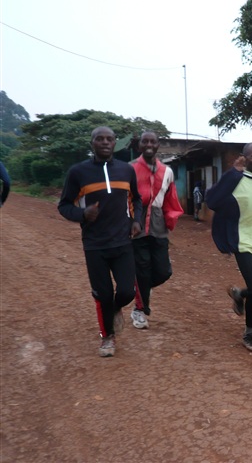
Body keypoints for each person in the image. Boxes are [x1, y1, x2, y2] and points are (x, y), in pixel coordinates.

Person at [58, 126, 142, 357]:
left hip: (123, 241)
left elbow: (136, 199)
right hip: (94, 244)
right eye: (100, 139)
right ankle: (107, 337)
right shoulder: (78, 172)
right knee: (102, 295)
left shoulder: (126, 170)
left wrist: (136, 220)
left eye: (109, 139)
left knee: (126, 291)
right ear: (92, 143)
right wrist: (82, 214)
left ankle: (115, 309)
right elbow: (64, 205)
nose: (105, 142)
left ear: (115, 143)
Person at [205, 143, 252, 353]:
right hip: (241, 242)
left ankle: (239, 294)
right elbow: (212, 200)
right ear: (244, 158)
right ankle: (249, 333)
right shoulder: (235, 180)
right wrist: (232, 173)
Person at [129, 131, 184, 329]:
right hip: (136, 221)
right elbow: (123, 197)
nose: (149, 144)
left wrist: (170, 220)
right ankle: (139, 310)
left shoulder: (167, 171)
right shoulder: (130, 169)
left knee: (163, 272)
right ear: (139, 145)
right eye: (145, 141)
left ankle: (141, 288)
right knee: (142, 268)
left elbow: (171, 198)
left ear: (158, 145)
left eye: (153, 141)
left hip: (158, 222)